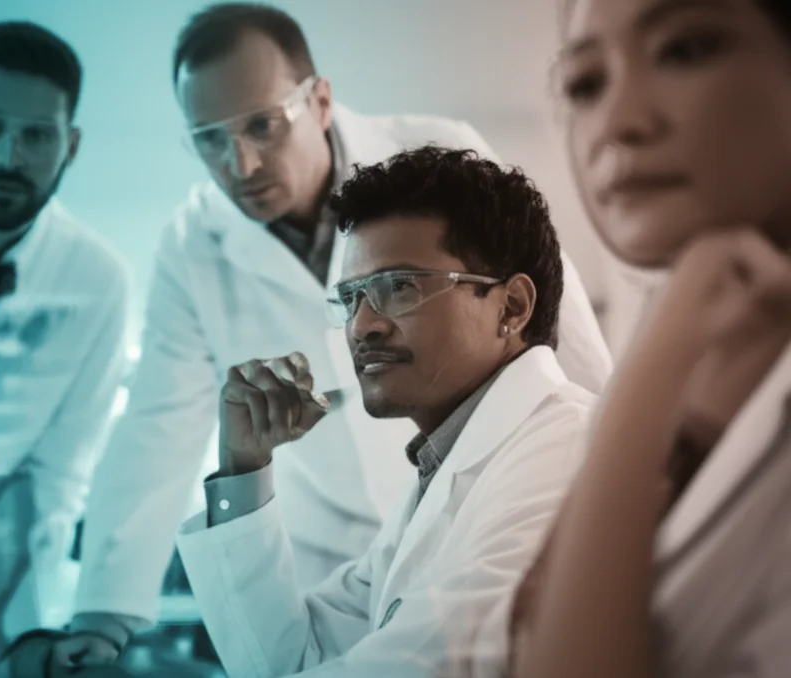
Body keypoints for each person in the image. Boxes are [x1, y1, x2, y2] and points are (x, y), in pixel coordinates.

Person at [58, 2, 612, 666]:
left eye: (261, 125)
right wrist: (105, 611)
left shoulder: (437, 164)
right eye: (209, 139)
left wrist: (613, 447)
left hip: (499, 473)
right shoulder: (193, 245)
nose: (240, 163)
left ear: (319, 101)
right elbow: (155, 426)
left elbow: (556, 330)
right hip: (365, 531)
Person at [170, 145, 596, 678]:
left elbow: (438, 666)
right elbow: (297, 658)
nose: (362, 326)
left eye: (399, 287)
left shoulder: (566, 452)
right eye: (351, 298)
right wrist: (243, 469)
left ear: (511, 306)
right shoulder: (440, 475)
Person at [509, 1, 791, 677]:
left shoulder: (664, 365)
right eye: (585, 83)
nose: (618, 120)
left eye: (685, 49)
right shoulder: (716, 363)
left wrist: (646, 379)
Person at [0, 20, 129, 643]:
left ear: (70, 145)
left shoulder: (98, 279)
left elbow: (62, 475)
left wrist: (20, 631)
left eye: (36, 135)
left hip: (12, 589)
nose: (8, 157)